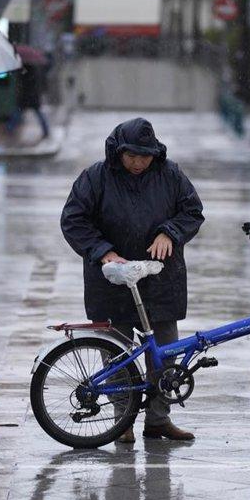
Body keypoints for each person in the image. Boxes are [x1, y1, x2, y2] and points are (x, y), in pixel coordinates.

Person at [61, 117, 204, 443]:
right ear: (118, 152)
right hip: (112, 283)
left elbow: (192, 211)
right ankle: (122, 422)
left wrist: (170, 232)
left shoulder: (171, 175)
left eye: (145, 156)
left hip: (160, 281)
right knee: (117, 356)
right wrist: (103, 251)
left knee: (164, 354)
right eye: (132, 156)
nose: (139, 163)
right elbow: (73, 220)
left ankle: (158, 420)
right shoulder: (95, 177)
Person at [6, 63, 50, 140]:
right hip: (32, 97)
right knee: (38, 114)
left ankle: (9, 128)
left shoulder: (24, 72)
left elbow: (23, 84)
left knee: (17, 113)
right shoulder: (33, 70)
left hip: (26, 97)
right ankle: (46, 130)